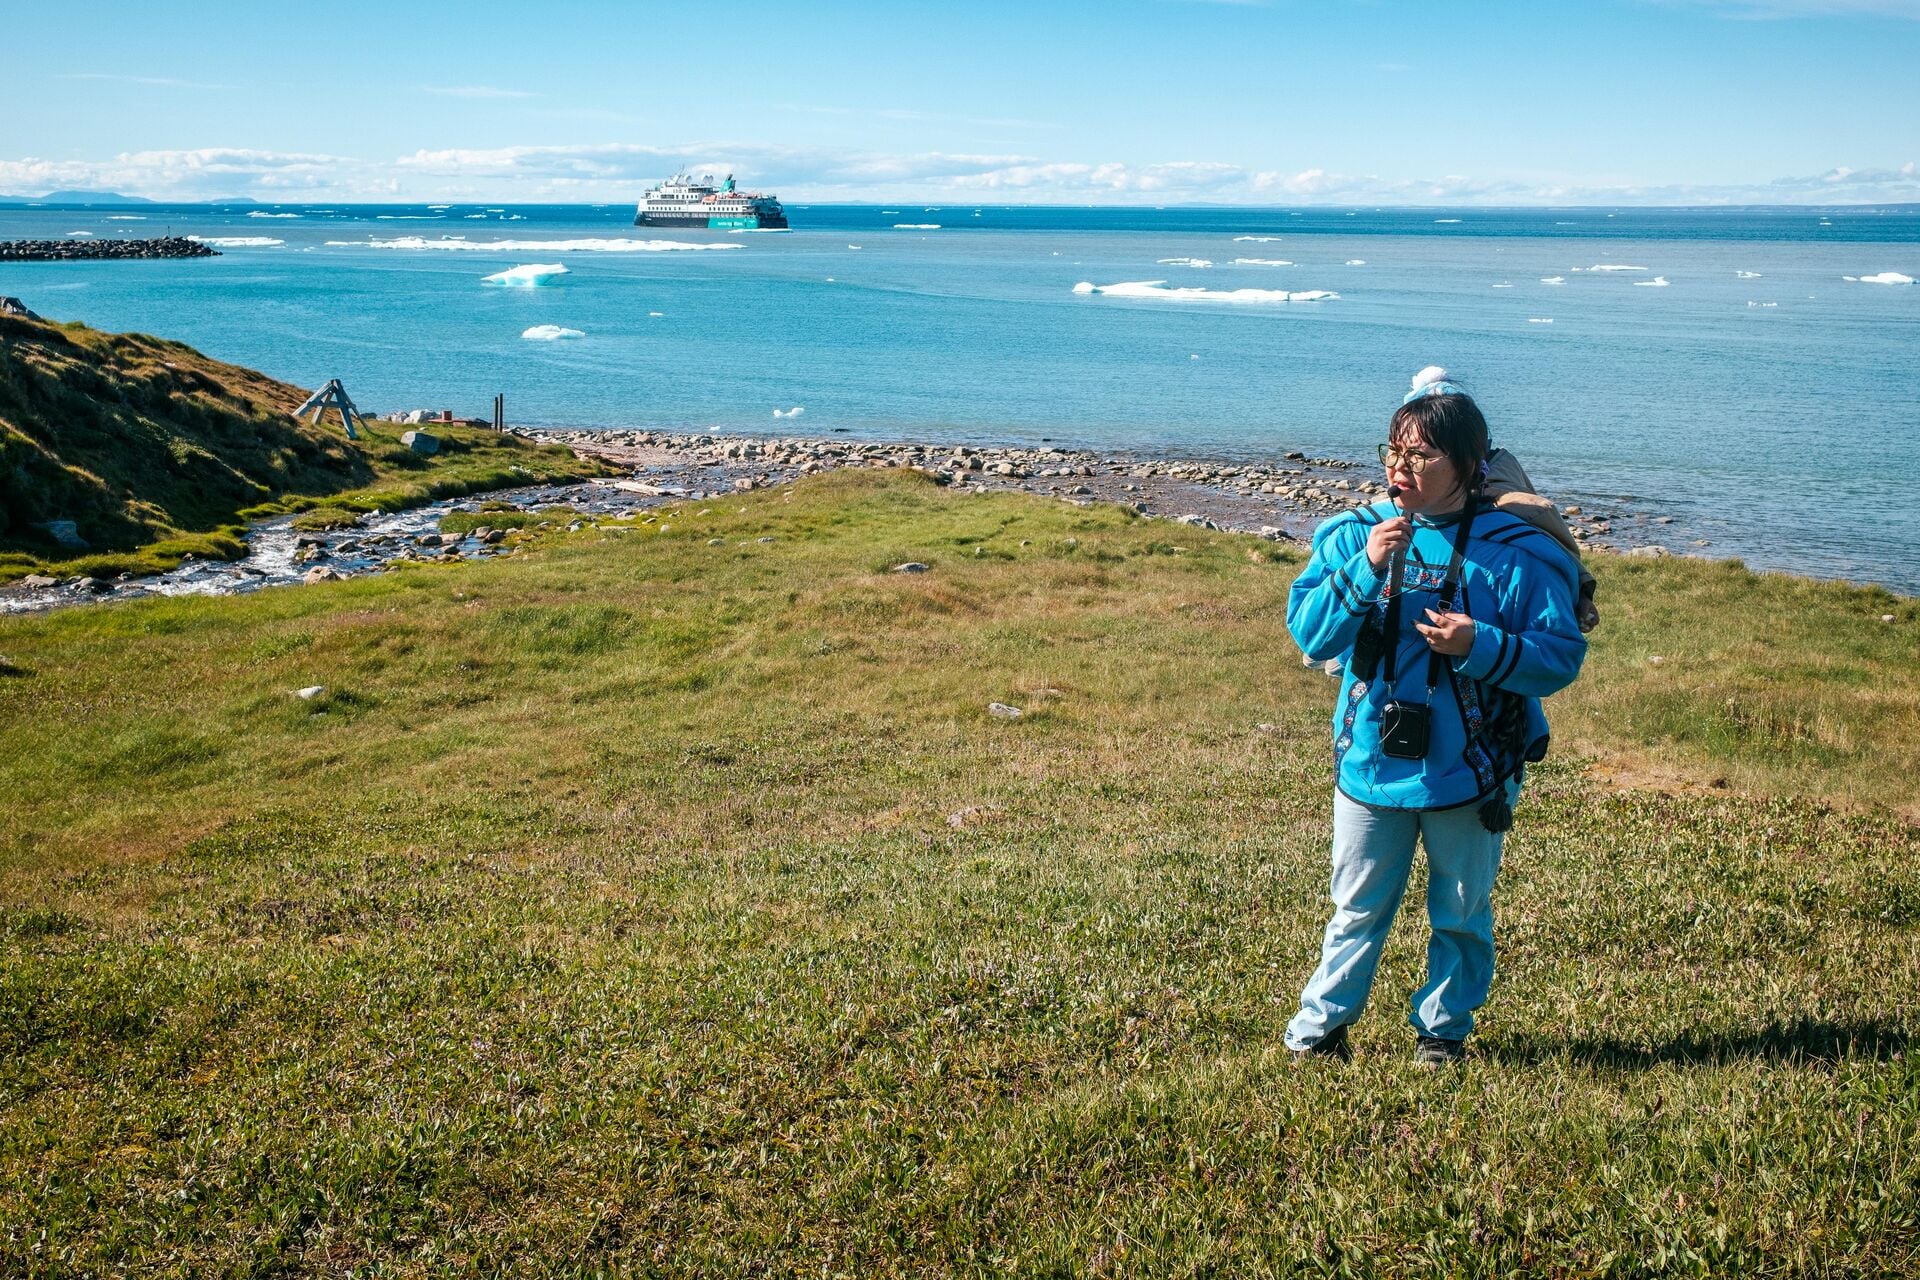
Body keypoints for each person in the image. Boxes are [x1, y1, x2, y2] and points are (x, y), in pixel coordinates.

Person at [1283, 373, 1587, 1066]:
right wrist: (1365, 569)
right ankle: (1318, 1033)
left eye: (1420, 456)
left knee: (1460, 913)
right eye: (1392, 451)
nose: (1399, 468)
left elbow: (1560, 658)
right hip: (1370, 764)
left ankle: (1442, 1036)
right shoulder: (1354, 536)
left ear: (1470, 465)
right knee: (1356, 909)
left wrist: (1480, 644)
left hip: (1473, 770)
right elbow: (1310, 635)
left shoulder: (1516, 552)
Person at [1407, 368, 1601, 633]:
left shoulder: (1503, 471)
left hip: (1493, 490)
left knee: (1536, 511)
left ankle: (1578, 591)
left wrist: (1581, 585)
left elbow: (1545, 524)